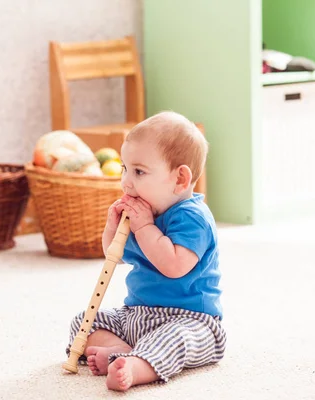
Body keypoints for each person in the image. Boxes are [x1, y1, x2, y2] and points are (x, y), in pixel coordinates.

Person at [66, 111, 226, 391]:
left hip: (190, 321)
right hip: (137, 315)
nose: (126, 182)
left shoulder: (192, 218)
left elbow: (173, 266)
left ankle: (136, 368)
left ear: (179, 179)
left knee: (173, 340)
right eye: (125, 169)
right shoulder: (143, 214)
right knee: (84, 322)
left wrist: (144, 228)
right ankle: (123, 351)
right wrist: (111, 228)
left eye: (139, 172)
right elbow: (114, 256)